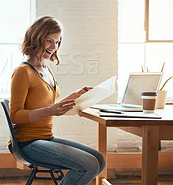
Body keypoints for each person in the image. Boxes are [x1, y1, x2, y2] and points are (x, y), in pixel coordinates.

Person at [10, 16, 106, 184]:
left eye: (57, 42)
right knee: (89, 165)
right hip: (27, 143)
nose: (54, 47)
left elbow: (50, 106)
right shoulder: (23, 72)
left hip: (46, 138)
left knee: (99, 159)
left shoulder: (46, 70)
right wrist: (51, 110)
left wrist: (75, 95)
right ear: (36, 38)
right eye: (49, 41)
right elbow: (15, 115)